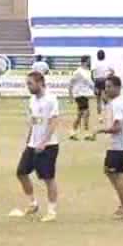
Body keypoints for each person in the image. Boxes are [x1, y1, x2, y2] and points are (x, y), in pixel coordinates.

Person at [15, 71, 60, 222]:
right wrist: (29, 140)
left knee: (48, 178)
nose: (28, 87)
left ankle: (52, 211)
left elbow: (53, 122)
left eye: (30, 84)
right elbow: (33, 122)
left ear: (40, 83)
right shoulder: (31, 100)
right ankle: (33, 203)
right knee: (21, 172)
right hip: (33, 144)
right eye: (27, 84)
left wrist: (44, 142)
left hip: (49, 145)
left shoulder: (51, 99)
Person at [93, 76, 123, 219]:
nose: (106, 90)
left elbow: (117, 127)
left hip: (119, 146)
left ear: (117, 88)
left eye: (109, 87)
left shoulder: (117, 104)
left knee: (114, 174)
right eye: (105, 87)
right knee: (114, 173)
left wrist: (101, 130)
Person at [68, 55, 95, 141]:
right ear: (85, 61)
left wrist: (94, 89)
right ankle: (87, 133)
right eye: (88, 60)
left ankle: (72, 132)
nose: (90, 62)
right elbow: (71, 83)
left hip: (85, 94)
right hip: (79, 94)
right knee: (86, 113)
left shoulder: (88, 71)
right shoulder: (78, 72)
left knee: (80, 115)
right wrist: (70, 95)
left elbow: (90, 83)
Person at [91, 49, 114, 122]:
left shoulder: (95, 63)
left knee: (98, 100)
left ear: (97, 56)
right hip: (104, 81)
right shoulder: (107, 63)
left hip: (97, 81)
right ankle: (107, 115)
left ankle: (100, 117)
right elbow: (113, 72)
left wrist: (93, 80)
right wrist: (108, 77)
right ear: (104, 56)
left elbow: (91, 73)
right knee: (105, 100)